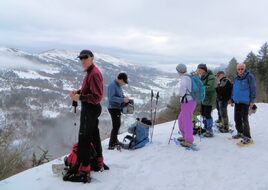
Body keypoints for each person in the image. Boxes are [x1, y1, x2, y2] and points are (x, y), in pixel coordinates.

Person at [68, 49, 104, 181]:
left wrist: (80, 97)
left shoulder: (94, 74)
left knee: (84, 139)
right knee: (94, 136)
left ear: (92, 58)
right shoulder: (90, 73)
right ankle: (97, 162)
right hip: (91, 110)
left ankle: (84, 170)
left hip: (90, 110)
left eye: (85, 58)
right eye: (80, 58)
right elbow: (87, 91)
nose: (82, 60)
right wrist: (77, 92)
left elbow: (97, 97)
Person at [232, 63, 256, 144]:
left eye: (242, 69)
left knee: (244, 119)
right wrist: (232, 99)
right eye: (239, 69)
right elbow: (234, 90)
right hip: (237, 102)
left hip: (245, 102)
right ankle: (240, 132)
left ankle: (247, 137)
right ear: (237, 69)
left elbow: (253, 88)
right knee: (237, 118)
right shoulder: (236, 78)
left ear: (245, 69)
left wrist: (252, 100)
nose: (240, 70)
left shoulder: (249, 77)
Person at [176, 64, 197, 147]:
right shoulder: (189, 77)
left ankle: (189, 140)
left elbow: (183, 90)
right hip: (191, 101)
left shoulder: (184, 78)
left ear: (179, 71)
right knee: (181, 119)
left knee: (186, 121)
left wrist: (181, 98)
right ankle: (185, 136)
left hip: (187, 102)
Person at [107, 73, 129, 149]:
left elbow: (119, 95)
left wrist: (124, 97)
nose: (124, 84)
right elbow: (111, 98)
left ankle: (115, 140)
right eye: (124, 82)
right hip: (113, 108)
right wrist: (123, 99)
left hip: (117, 108)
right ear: (121, 80)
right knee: (116, 125)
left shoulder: (118, 85)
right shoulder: (112, 85)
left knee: (117, 125)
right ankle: (111, 144)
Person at [196, 64, 216, 137]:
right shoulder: (202, 77)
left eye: (200, 70)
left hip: (209, 99)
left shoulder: (211, 77)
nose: (198, 71)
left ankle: (209, 130)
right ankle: (205, 127)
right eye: (198, 70)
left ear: (204, 70)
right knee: (203, 114)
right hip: (203, 99)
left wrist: (201, 88)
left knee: (207, 115)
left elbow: (210, 87)